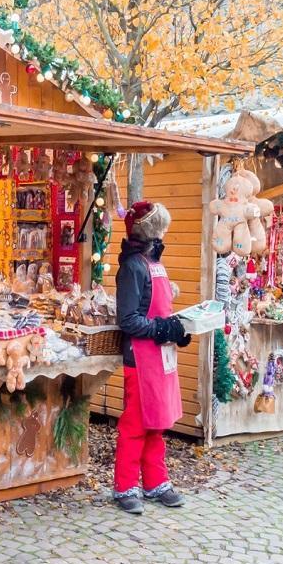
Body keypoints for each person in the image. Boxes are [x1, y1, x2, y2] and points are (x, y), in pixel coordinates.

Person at [113, 200, 191, 515]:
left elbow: (159, 310)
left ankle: (156, 481)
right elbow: (128, 319)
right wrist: (162, 329)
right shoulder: (132, 267)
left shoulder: (150, 262)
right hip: (140, 357)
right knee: (135, 425)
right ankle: (125, 486)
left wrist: (176, 330)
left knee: (157, 424)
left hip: (160, 356)